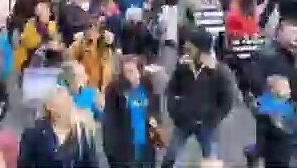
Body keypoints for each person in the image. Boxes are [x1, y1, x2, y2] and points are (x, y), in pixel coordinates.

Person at [161, 28, 234, 168]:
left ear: (201, 49)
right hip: (183, 122)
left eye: (190, 45)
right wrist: (176, 113)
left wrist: (213, 118)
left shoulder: (219, 71)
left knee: (211, 160)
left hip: (207, 125)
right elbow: (171, 90)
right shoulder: (183, 67)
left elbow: (227, 100)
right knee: (171, 156)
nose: (185, 47)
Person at [18, 86, 99, 168]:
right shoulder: (34, 131)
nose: (70, 107)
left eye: (70, 103)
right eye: (65, 104)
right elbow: (24, 163)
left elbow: (92, 164)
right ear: (51, 109)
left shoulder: (83, 133)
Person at [103, 55, 161, 168]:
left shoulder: (147, 86)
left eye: (133, 71)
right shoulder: (115, 91)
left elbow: (154, 110)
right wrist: (110, 153)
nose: (131, 75)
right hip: (125, 152)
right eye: (127, 72)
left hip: (146, 149)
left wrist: (154, 118)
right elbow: (109, 123)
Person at [245, 75, 297, 167]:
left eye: (288, 88)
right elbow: (261, 144)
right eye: (285, 88)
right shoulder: (265, 114)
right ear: (273, 91)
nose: (289, 91)